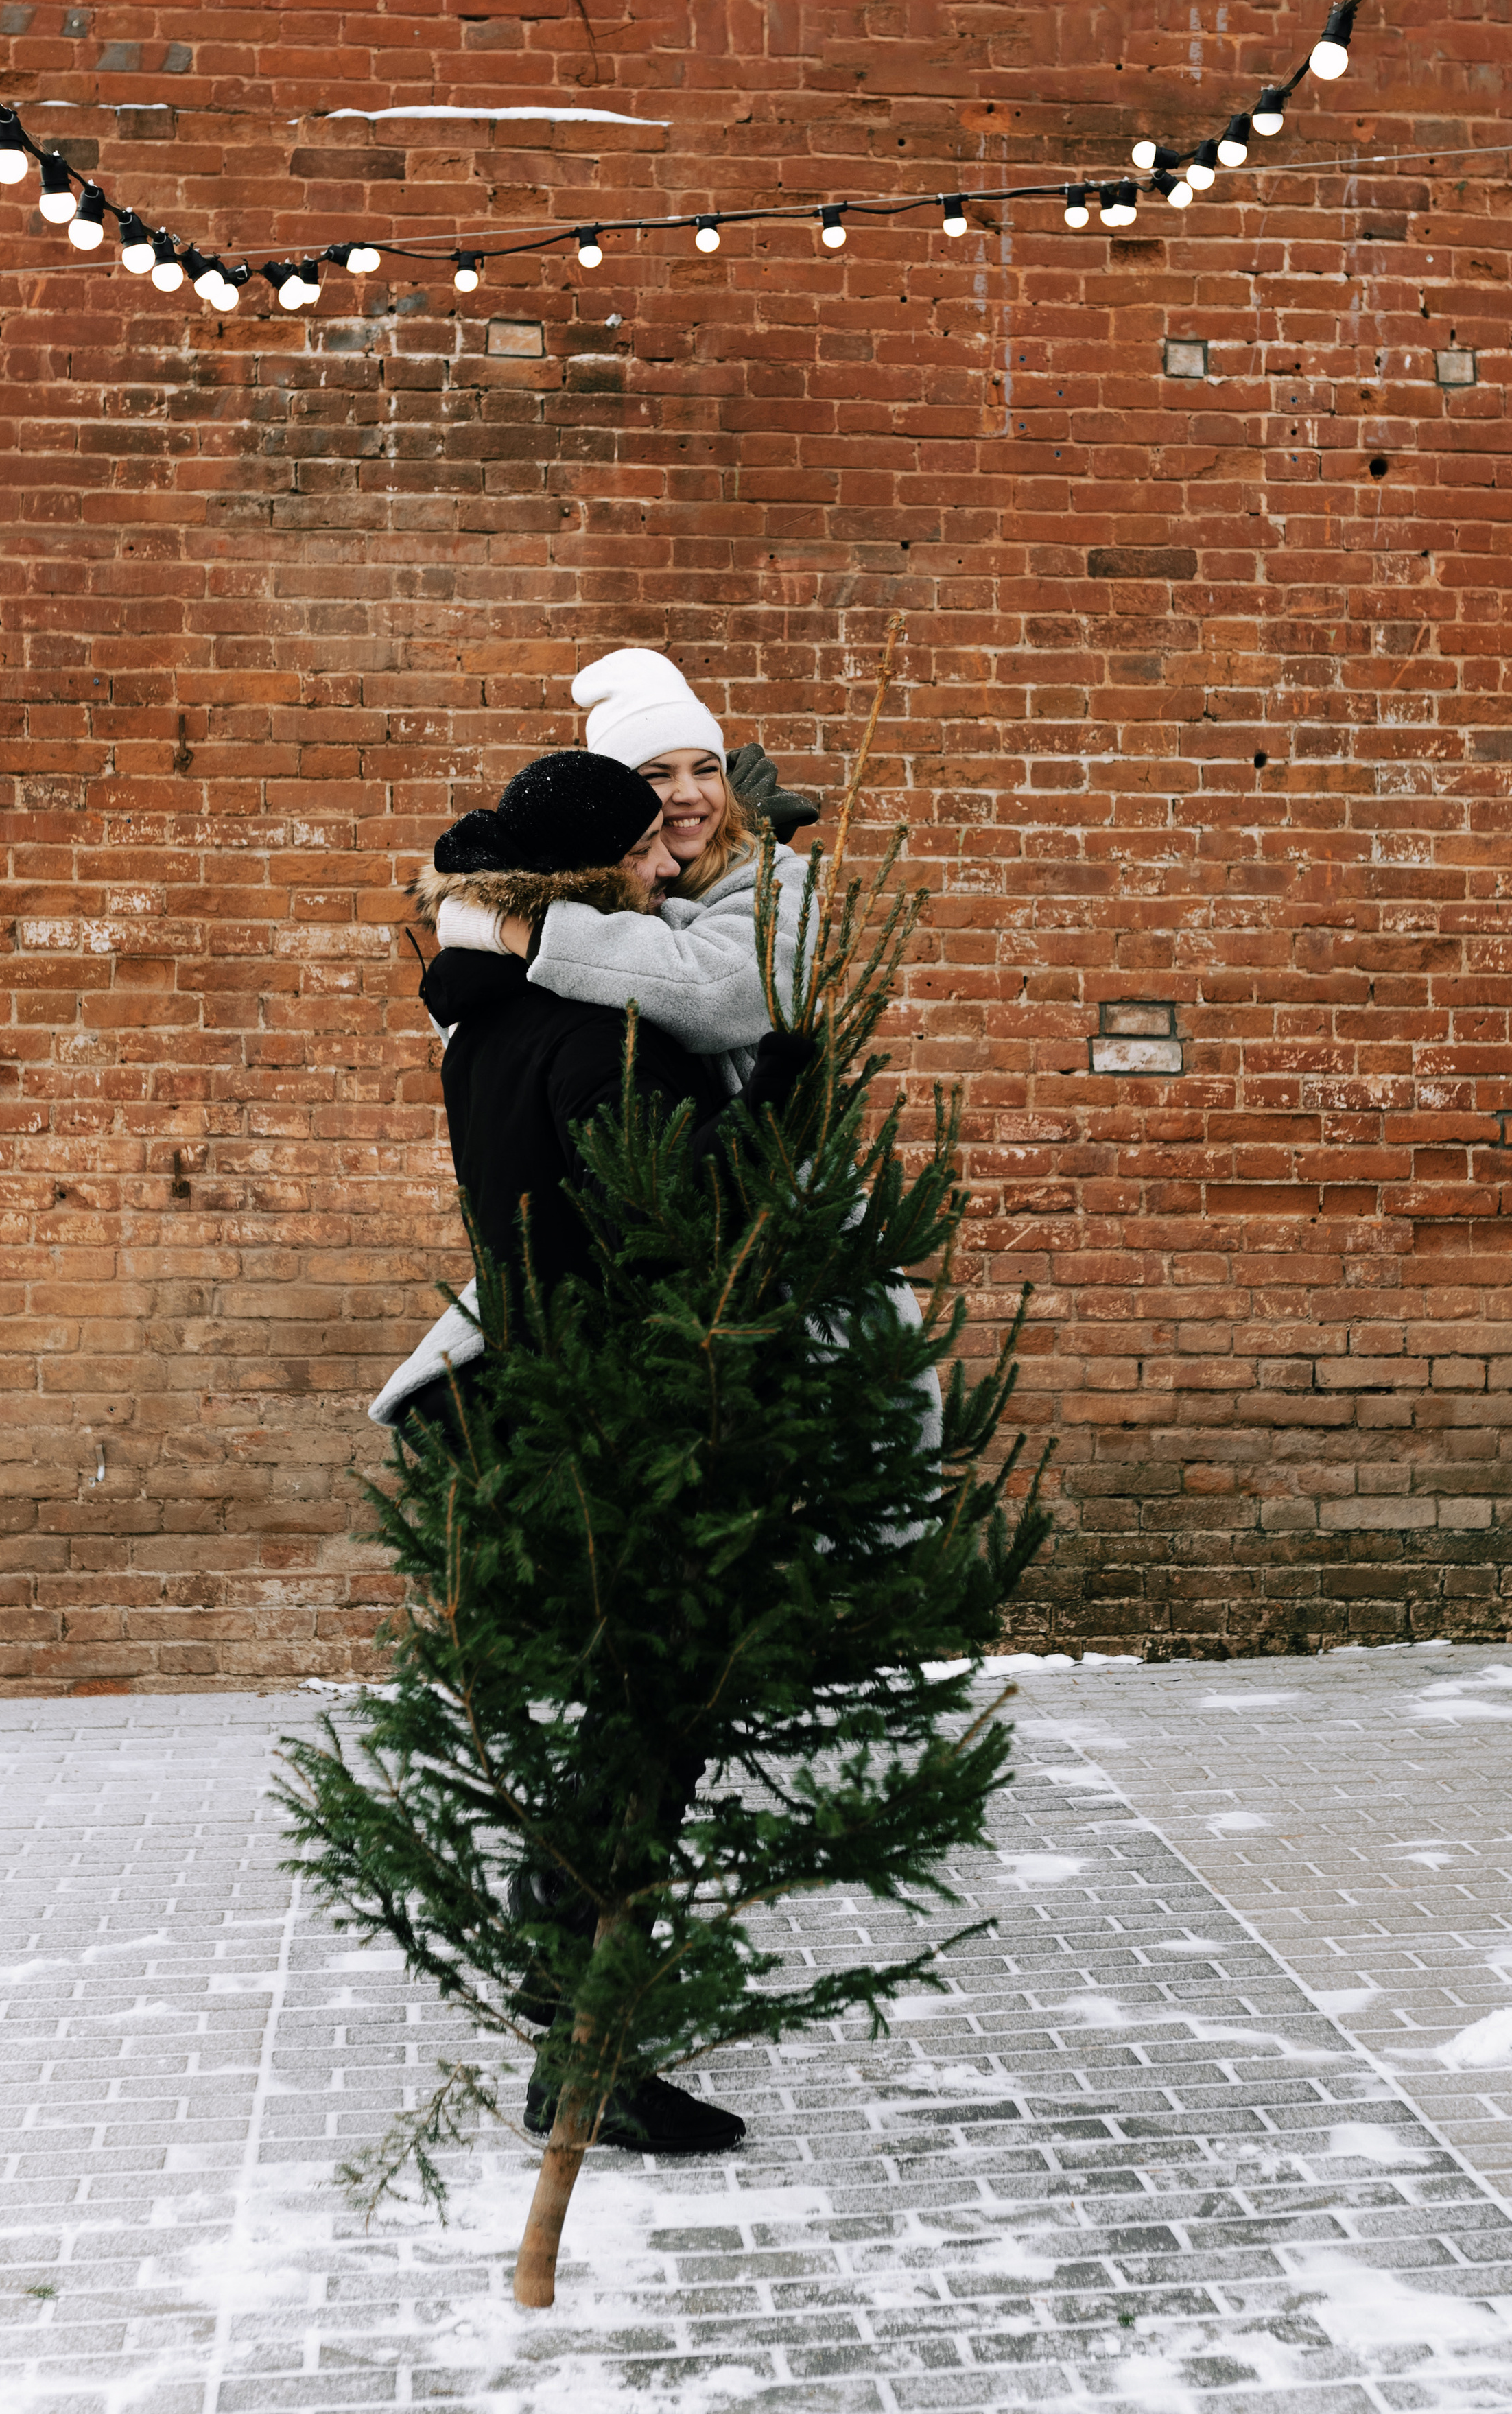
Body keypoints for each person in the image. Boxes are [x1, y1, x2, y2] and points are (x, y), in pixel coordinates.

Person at [401, 747, 814, 2158]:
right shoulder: (608, 1038)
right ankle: (582, 2038)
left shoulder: (488, 1022)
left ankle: (577, 2016)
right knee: (651, 1722)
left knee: (634, 1713)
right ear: (590, 870)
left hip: (538, 1388)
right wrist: (769, 1110)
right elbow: (666, 1208)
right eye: (643, 845)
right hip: (630, 1409)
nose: (664, 863)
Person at [373, 648, 938, 1446]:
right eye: (654, 774)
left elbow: (714, 993)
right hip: (641, 1201)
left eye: (704, 768)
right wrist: (488, 926)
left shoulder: (772, 881)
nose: (686, 793)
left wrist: (505, 926)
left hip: (760, 1188)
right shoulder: (623, 887)